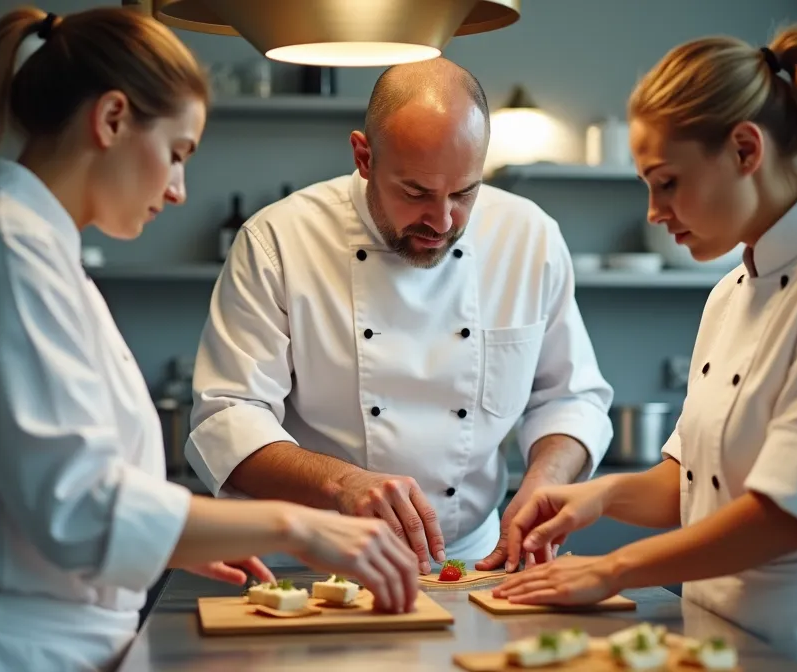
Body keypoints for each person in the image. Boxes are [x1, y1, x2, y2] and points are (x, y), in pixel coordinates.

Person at [0, 7, 418, 671]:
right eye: (177, 153)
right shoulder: (6, 251)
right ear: (111, 119)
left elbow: (62, 494)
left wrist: (175, 540)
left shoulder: (31, 250)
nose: (180, 190)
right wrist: (299, 526)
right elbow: (79, 509)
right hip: (3, 649)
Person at [492, 21, 797, 672]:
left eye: (667, 182)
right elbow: (694, 480)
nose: (654, 211)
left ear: (744, 149)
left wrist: (613, 569)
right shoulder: (731, 291)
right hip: (717, 634)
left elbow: (793, 513)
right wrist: (601, 497)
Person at [186, 57, 615, 574]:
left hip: (474, 560)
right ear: (364, 157)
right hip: (316, 561)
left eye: (465, 192)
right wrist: (342, 484)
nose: (443, 221)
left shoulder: (529, 236)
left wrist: (546, 481)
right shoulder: (277, 241)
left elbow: (570, 397)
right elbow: (229, 415)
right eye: (416, 192)